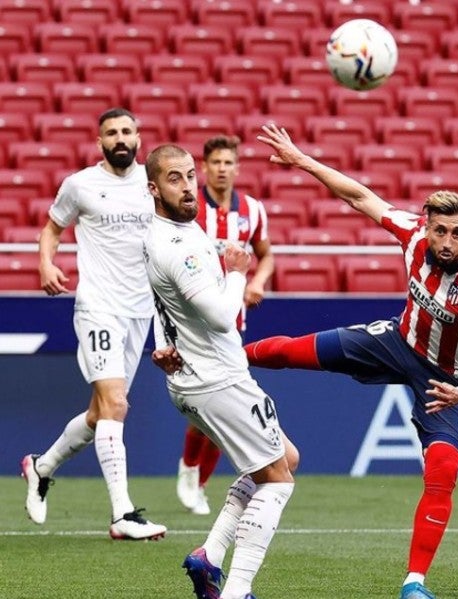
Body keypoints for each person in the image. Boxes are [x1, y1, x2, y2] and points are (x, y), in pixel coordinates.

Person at [244, 124, 458, 599]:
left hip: (446, 381)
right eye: (440, 230)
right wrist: (302, 160)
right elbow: (360, 197)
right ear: (425, 225)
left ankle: (414, 583)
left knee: (444, 469)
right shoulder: (412, 236)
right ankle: (221, 361)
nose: (447, 242)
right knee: (289, 351)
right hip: (396, 341)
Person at [144, 143, 295, 599]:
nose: (188, 186)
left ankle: (209, 556)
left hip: (196, 377)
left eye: (190, 175)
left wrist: (162, 344)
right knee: (279, 481)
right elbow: (219, 316)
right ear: (153, 187)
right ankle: (238, 590)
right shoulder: (178, 245)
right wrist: (236, 273)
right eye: (175, 178)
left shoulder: (164, 233)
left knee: (285, 458)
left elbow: (160, 300)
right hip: (219, 379)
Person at [21, 107, 167, 540]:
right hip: (98, 305)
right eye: (111, 133)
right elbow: (52, 228)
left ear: (139, 137)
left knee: (99, 411)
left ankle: (40, 467)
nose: (120, 138)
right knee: (116, 404)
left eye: (126, 131)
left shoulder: (153, 184)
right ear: (99, 140)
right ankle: (122, 515)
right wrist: (46, 263)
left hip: (140, 310)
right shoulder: (81, 185)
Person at [177, 135, 275, 516]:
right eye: (215, 162)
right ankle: (189, 468)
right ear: (204, 167)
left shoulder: (252, 210)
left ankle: (197, 482)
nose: (221, 168)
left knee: (227, 409)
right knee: (204, 408)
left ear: (237, 167)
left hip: (233, 323)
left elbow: (265, 256)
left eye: (228, 162)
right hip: (193, 320)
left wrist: (257, 282)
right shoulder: (189, 207)